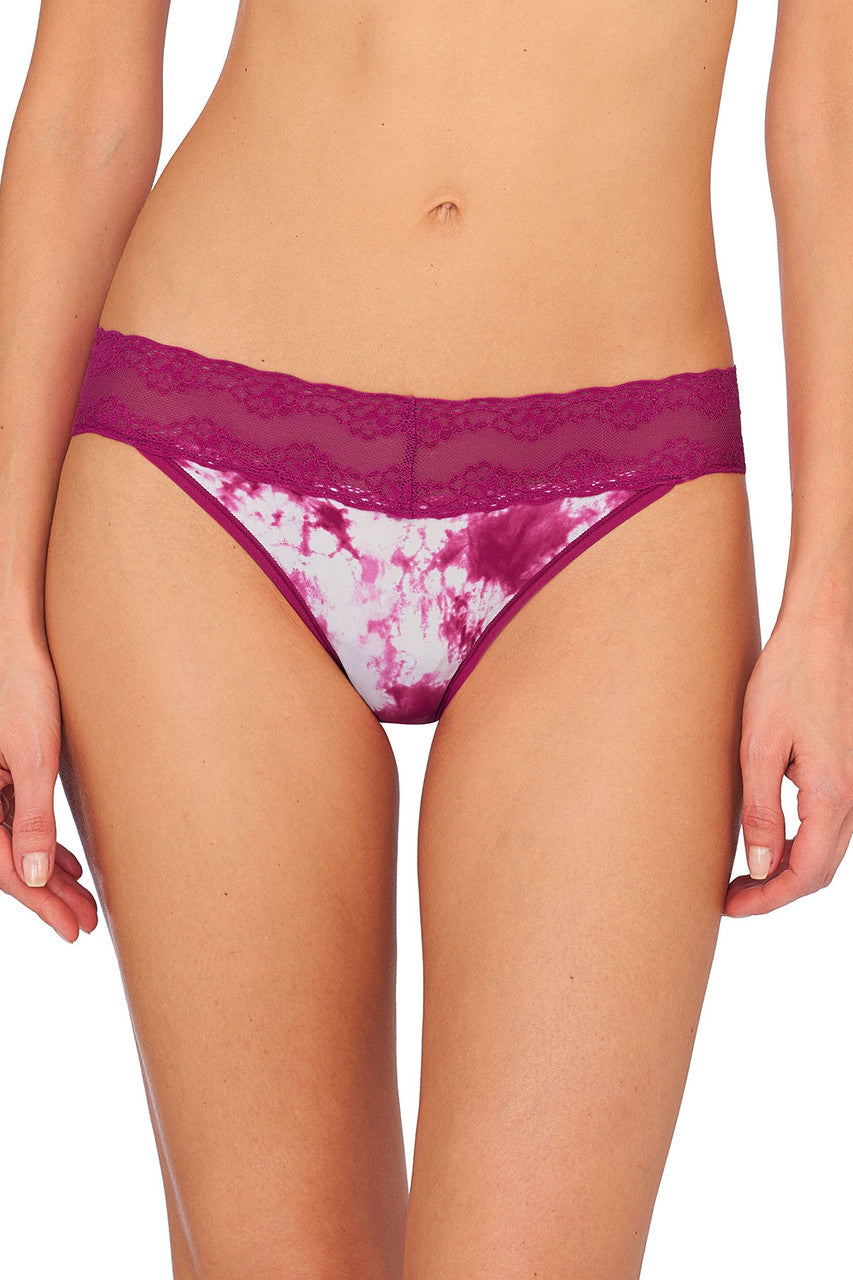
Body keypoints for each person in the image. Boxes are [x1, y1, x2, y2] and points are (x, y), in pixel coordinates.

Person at [1, 0, 851, 1276]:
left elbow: (835, 121)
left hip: (624, 501)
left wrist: (829, 601)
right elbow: (84, 103)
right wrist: (0, 603)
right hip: (202, 468)